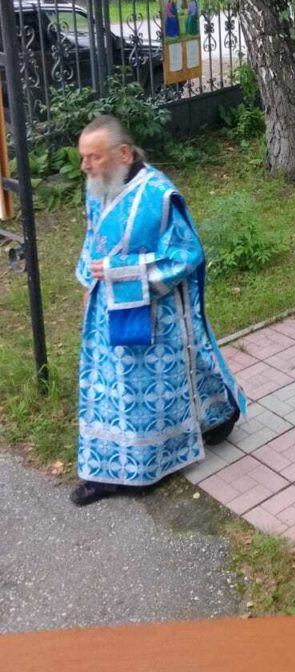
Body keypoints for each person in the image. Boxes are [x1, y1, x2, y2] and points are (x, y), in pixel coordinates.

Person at [71, 115, 246, 506]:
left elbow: (186, 254)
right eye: (83, 157)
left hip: (154, 314)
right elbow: (93, 238)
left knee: (142, 391)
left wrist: (121, 272)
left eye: (93, 157)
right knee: (109, 386)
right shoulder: (98, 186)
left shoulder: (158, 196)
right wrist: (88, 282)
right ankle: (215, 416)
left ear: (123, 153)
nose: (85, 166)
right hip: (104, 306)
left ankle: (142, 470)